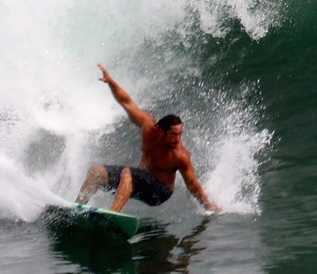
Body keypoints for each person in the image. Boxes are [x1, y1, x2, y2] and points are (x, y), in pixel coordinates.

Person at [76, 65, 221, 214]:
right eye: (173, 134)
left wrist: (207, 205)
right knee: (96, 172)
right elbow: (126, 102)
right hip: (138, 182)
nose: (178, 139)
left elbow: (191, 183)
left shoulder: (180, 156)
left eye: (180, 134)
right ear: (161, 131)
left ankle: (112, 215)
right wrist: (111, 82)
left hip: (159, 192)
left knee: (127, 173)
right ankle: (76, 209)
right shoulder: (148, 127)